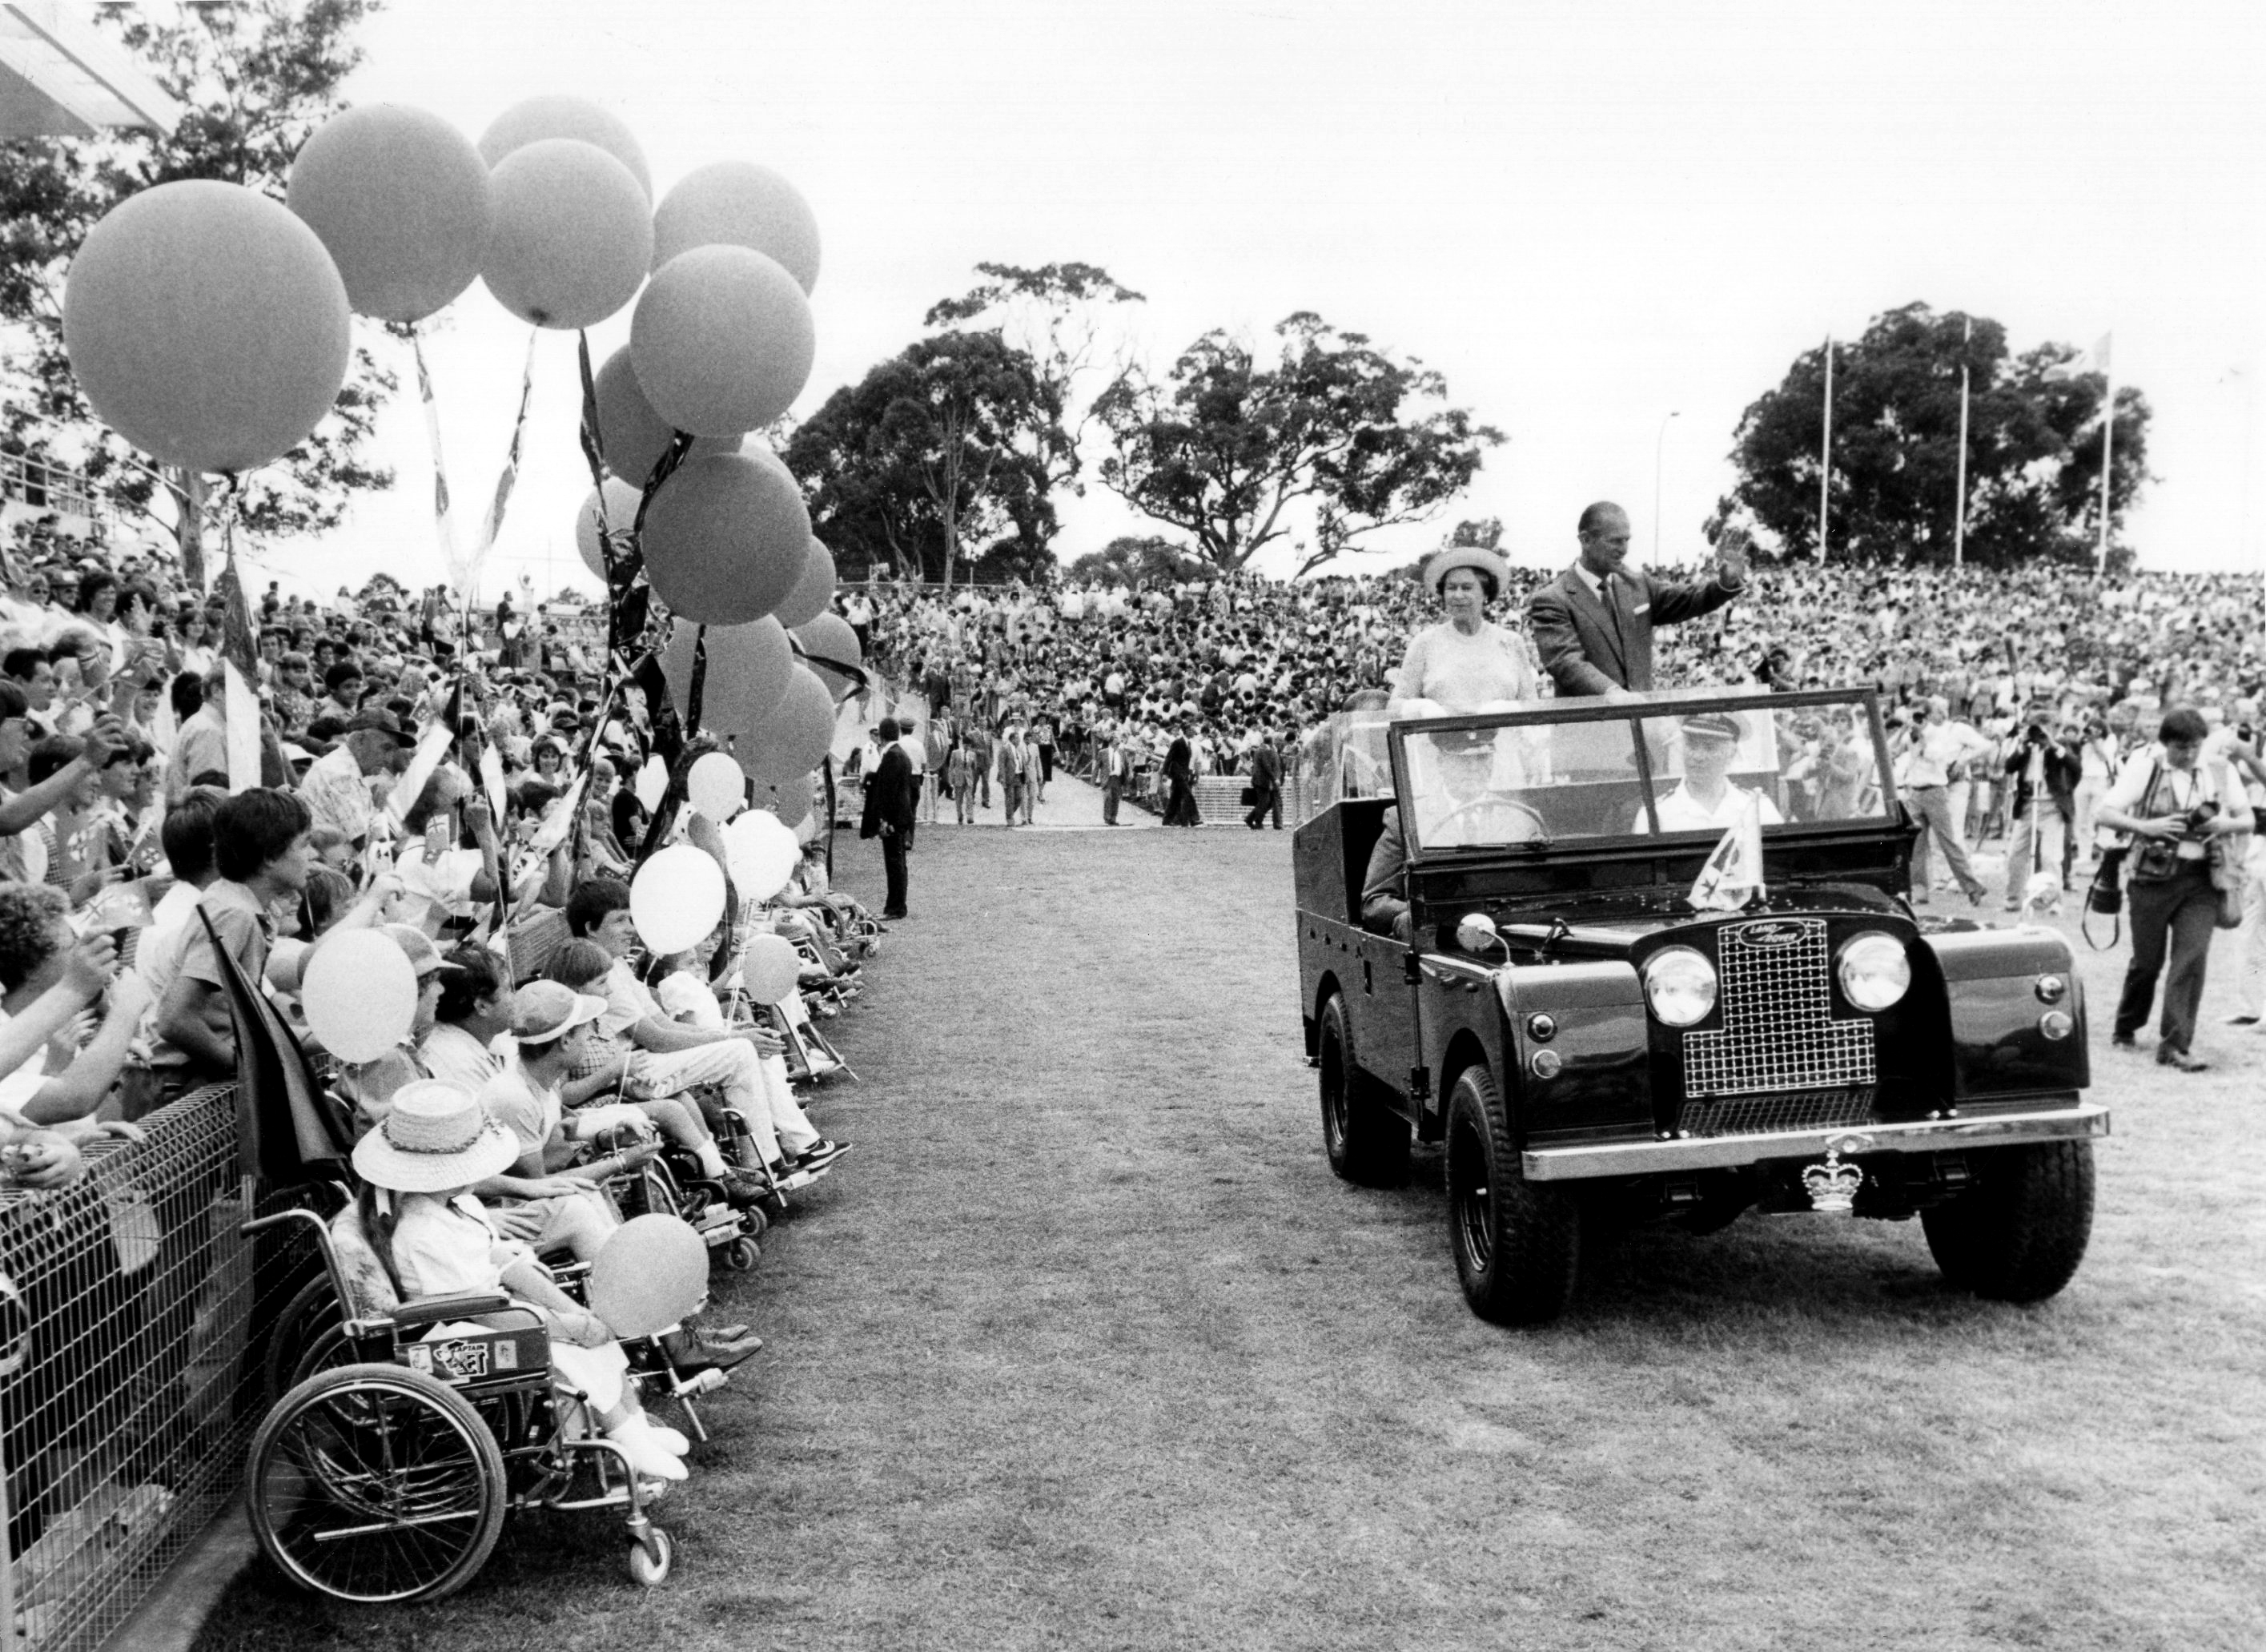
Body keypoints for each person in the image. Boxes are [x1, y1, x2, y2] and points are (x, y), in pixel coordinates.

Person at [2095, 707, 2252, 1072]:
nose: (2189, 755)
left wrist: (2222, 823)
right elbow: (2105, 812)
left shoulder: (2220, 770)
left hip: (2201, 878)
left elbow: (2247, 819)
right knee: (2147, 963)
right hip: (2151, 878)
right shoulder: (2145, 767)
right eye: (2181, 748)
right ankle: (2127, 1024)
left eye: (2196, 747)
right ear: (2166, 744)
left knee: (2191, 959)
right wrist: (2146, 827)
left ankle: (2176, 1045)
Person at [1527, 504, 1749, 697]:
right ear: (1585, 540)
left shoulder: (1637, 585)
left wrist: (1725, 584)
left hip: (1642, 727)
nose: (1624, 549)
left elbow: (1688, 599)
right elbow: (1566, 662)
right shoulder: (1553, 599)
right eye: (1615, 541)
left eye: (1626, 540)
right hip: (1589, 732)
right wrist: (1612, 693)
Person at [1388, 546, 1535, 714]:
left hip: (1504, 739)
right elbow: (1395, 706)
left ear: (1486, 594)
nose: (1457, 595)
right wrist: (1420, 708)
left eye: (1466, 588)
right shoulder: (1424, 643)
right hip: (1441, 738)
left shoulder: (1512, 642)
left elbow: (1532, 705)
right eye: (1451, 588)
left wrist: (1510, 709)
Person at [1893, 701, 1989, 906]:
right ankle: (1919, 891)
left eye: (1919, 717)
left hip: (1935, 791)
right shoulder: (1909, 735)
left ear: (1927, 717)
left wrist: (1921, 739)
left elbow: (1937, 757)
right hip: (1915, 791)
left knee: (1948, 842)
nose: (1915, 722)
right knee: (1916, 846)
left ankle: (1973, 887)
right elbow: (1892, 751)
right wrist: (1904, 731)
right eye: (1912, 717)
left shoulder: (1939, 734)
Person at [1634, 713, 1786, 833]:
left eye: (1710, 748)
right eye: (1691, 746)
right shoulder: (1656, 814)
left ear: (1731, 754)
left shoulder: (1757, 809)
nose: (1698, 756)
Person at [1999, 700, 2080, 908]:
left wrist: (2053, 745)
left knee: (2050, 857)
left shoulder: (2060, 746)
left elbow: (2075, 767)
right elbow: (2009, 767)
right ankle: (2013, 899)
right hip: (2027, 806)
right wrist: (2021, 746)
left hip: (2052, 807)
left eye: (2046, 729)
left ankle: (2052, 900)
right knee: (2015, 854)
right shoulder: (2026, 746)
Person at [862, 717, 916, 918]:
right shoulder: (902, 754)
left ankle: (895, 907)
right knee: (899, 863)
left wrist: (884, 819)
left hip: (894, 819)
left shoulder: (892, 756)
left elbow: (888, 791)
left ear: (882, 736)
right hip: (902, 817)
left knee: (894, 863)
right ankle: (897, 905)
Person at [1161, 719, 1201, 827]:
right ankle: (1194, 818)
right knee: (1188, 794)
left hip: (1184, 773)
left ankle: (1167, 820)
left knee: (1175, 797)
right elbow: (1169, 758)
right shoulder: (1178, 742)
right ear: (1186, 731)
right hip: (1177, 773)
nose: (1193, 732)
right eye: (1191, 730)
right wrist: (1165, 773)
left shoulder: (1188, 743)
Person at [1244, 730, 1284, 830]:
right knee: (1264, 802)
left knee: (1266, 802)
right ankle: (1257, 822)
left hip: (1261, 780)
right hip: (1262, 781)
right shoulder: (1265, 751)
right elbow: (1267, 766)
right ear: (1272, 741)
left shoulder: (1261, 750)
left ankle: (1250, 819)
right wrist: (1274, 779)